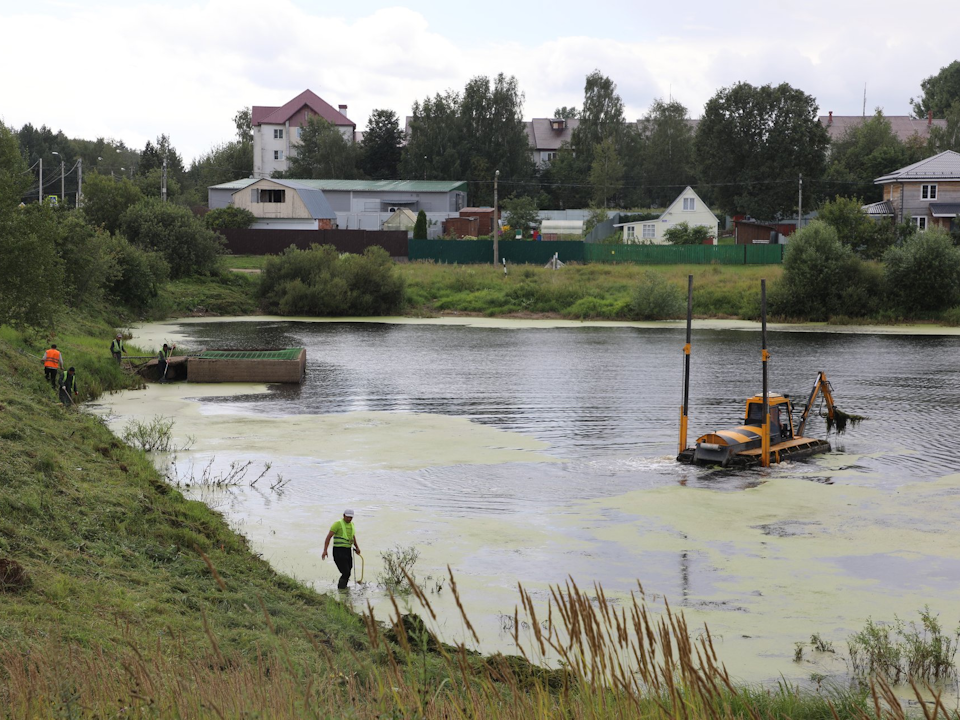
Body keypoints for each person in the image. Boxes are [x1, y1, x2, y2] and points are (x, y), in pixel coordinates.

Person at [322, 509, 361, 589]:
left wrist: (357, 547)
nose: (349, 519)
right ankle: (341, 589)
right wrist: (325, 550)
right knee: (345, 572)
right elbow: (328, 537)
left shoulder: (352, 525)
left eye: (351, 517)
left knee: (349, 569)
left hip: (348, 550)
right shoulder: (337, 524)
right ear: (344, 515)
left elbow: (353, 537)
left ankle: (344, 588)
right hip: (338, 551)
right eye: (348, 517)